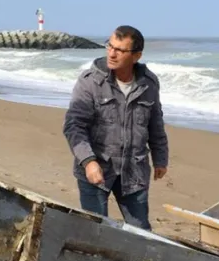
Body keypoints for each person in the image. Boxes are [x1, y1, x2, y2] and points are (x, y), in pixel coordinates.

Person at [63, 25, 169, 231]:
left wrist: (160, 158)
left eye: (120, 50)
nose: (112, 53)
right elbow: (74, 126)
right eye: (110, 46)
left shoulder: (149, 84)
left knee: (141, 232)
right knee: (95, 230)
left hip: (134, 171)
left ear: (136, 56)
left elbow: (155, 123)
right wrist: (88, 162)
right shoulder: (90, 82)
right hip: (96, 170)